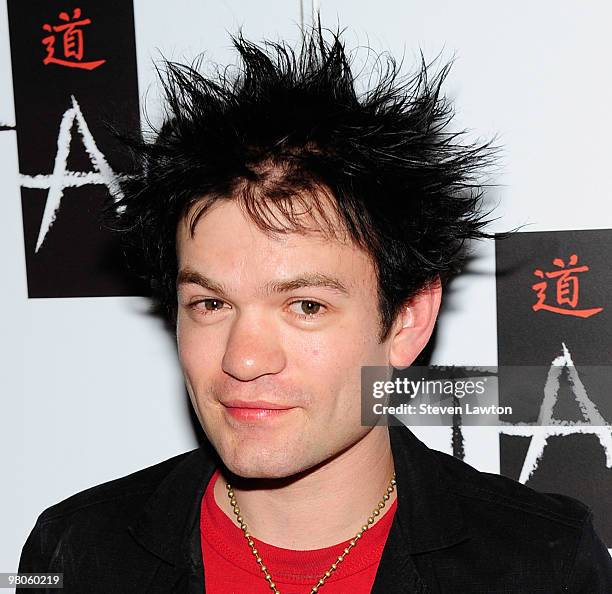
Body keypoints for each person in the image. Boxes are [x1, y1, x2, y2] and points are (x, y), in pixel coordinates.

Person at [18, 22, 612, 593]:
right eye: (210, 302)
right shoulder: (77, 549)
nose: (244, 360)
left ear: (406, 318)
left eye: (305, 305)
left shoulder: (539, 560)